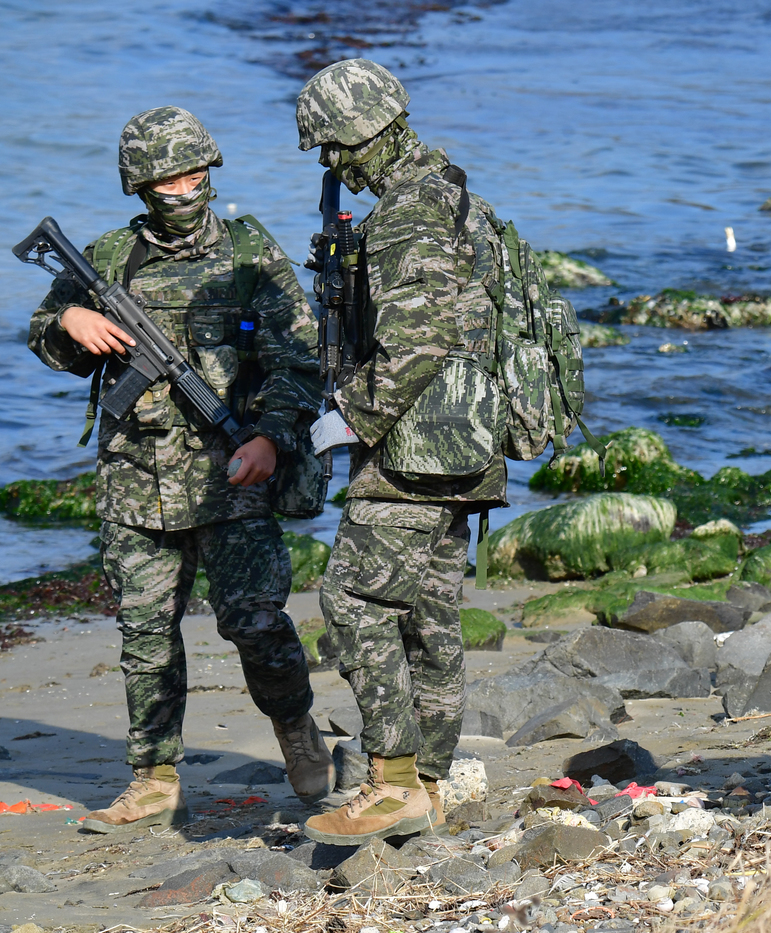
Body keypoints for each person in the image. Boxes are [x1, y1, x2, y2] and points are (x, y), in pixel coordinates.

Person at [28, 106, 333, 832]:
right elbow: (44, 336)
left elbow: (299, 360)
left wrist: (270, 438)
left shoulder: (249, 252)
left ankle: (295, 726)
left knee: (256, 624)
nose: (184, 189)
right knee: (144, 635)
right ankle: (154, 777)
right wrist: (69, 324)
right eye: (167, 180)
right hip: (136, 477)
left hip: (231, 473)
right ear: (139, 185)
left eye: (194, 174)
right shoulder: (109, 258)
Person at [295, 59, 509, 844]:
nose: (332, 163)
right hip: (466, 441)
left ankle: (391, 785)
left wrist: (349, 416)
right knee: (429, 617)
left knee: (353, 600)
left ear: (365, 133)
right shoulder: (458, 196)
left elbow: (417, 342)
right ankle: (428, 784)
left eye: (334, 145)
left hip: (415, 449)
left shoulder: (409, 212)